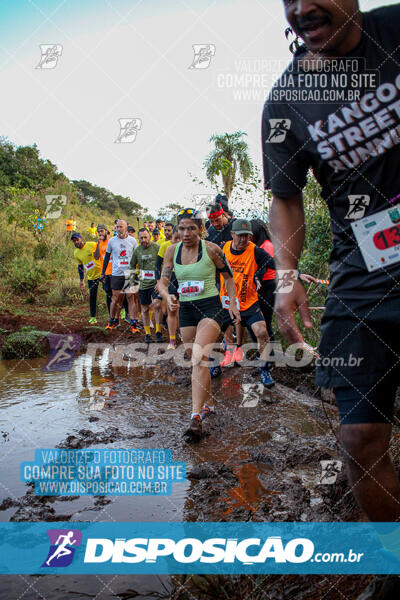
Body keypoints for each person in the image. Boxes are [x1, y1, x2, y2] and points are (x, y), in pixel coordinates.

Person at [263, 1, 400, 594]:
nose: (301, 7)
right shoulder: (286, 99)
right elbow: (286, 198)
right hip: (361, 277)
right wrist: (288, 279)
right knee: (359, 438)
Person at [157, 208, 240, 441]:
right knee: (195, 359)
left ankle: (195, 417)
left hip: (210, 308)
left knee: (199, 358)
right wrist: (167, 295)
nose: (186, 233)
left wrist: (232, 304)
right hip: (187, 311)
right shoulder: (172, 251)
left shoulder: (212, 249)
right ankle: (209, 403)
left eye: (191, 228)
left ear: (200, 229)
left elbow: (229, 277)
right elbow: (162, 282)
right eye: (182, 228)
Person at [219, 219, 275, 388]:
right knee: (213, 333)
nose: (243, 240)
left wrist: (298, 274)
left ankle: (265, 370)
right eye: (239, 236)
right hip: (227, 303)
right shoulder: (222, 249)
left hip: (248, 302)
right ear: (232, 234)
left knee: (262, 330)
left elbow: (274, 263)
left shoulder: (255, 251)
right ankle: (214, 365)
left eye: (246, 236)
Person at [100, 220, 139, 332]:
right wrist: (103, 272)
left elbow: (137, 257)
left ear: (126, 228)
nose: (118, 229)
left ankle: (133, 323)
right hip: (116, 273)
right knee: (116, 298)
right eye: (117, 227)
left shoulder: (133, 241)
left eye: (121, 227)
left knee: (131, 298)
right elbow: (107, 257)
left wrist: (137, 272)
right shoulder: (112, 241)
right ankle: (112, 321)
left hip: (130, 273)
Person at [129, 228, 163, 343]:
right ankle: (148, 334)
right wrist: (132, 282)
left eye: (145, 237)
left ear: (150, 237)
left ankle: (158, 332)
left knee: (157, 305)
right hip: (143, 284)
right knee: (144, 309)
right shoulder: (137, 251)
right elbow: (132, 265)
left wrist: (162, 280)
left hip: (156, 283)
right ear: (138, 239)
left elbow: (165, 263)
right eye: (141, 238)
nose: (144, 240)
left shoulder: (157, 248)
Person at [156, 225, 181, 349]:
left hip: (185, 280)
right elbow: (159, 265)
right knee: (172, 309)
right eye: (175, 238)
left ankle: (183, 333)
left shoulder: (189, 247)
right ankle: (172, 340)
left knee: (184, 309)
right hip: (171, 279)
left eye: (179, 239)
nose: (177, 241)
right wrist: (159, 282)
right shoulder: (167, 247)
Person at [71, 232, 101, 324]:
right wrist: (81, 281)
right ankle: (93, 317)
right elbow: (80, 267)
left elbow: (103, 249)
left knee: (112, 292)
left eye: (77, 240)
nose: (76, 242)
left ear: (81, 238)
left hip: (102, 273)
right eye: (74, 241)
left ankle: (121, 311)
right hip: (91, 276)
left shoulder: (91, 244)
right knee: (92, 297)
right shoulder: (76, 253)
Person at [93, 225, 112, 315]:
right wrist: (98, 243)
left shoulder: (112, 241)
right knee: (108, 295)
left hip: (115, 272)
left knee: (119, 294)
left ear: (107, 231)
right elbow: (96, 256)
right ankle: (111, 316)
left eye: (102, 231)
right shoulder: (99, 244)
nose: (100, 233)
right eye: (99, 232)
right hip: (105, 273)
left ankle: (123, 312)